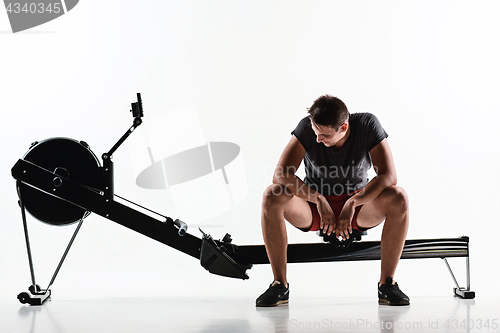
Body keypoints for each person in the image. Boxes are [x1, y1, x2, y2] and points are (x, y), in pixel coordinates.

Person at [255, 95, 410, 307]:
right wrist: (316, 197)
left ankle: (387, 284)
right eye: (315, 132)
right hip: (315, 208)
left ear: (344, 127)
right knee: (271, 195)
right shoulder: (308, 128)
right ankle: (280, 285)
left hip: (357, 207)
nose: (318, 139)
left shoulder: (367, 124)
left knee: (399, 197)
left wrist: (354, 202)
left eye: (324, 135)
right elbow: (281, 175)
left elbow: (388, 176)